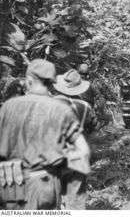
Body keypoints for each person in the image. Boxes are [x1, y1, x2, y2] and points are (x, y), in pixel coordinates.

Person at [0, 59, 90, 209]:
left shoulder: (8, 107)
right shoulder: (60, 109)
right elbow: (83, 151)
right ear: (52, 83)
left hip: (12, 183)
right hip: (45, 183)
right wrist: (59, 172)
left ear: (28, 80)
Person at [53, 69, 99, 209]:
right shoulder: (84, 106)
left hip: (53, 156)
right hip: (77, 156)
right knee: (76, 199)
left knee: (54, 198)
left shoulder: (48, 103)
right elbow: (94, 128)